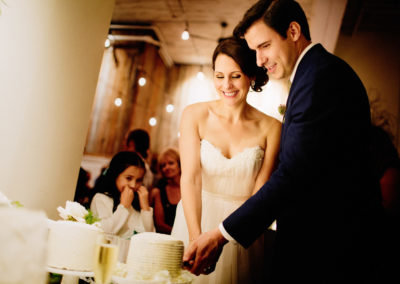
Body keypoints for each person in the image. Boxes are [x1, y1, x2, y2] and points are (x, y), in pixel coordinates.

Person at [183, 1, 385, 283]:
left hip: (331, 244)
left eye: (264, 46)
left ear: (292, 31)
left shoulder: (319, 79)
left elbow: (293, 175)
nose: (259, 60)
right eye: (254, 51)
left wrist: (219, 235)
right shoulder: (313, 74)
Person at [171, 36, 281, 283]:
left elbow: (261, 192)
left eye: (236, 75)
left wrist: (226, 236)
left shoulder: (272, 128)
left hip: (242, 233)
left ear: (251, 75)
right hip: (194, 220)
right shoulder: (194, 115)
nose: (226, 85)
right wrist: (196, 239)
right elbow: (190, 178)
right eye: (219, 76)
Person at [90, 151, 155, 260]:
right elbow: (106, 232)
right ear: (115, 175)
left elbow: (150, 238)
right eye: (128, 178)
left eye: (138, 180)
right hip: (106, 262)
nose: (133, 185)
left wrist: (145, 208)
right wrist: (123, 206)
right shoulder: (101, 199)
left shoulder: (136, 204)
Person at [150, 148, 182, 234]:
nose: (166, 168)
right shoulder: (158, 192)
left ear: (179, 165)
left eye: (171, 163)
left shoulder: (190, 188)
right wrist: (179, 234)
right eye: (163, 165)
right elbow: (160, 225)